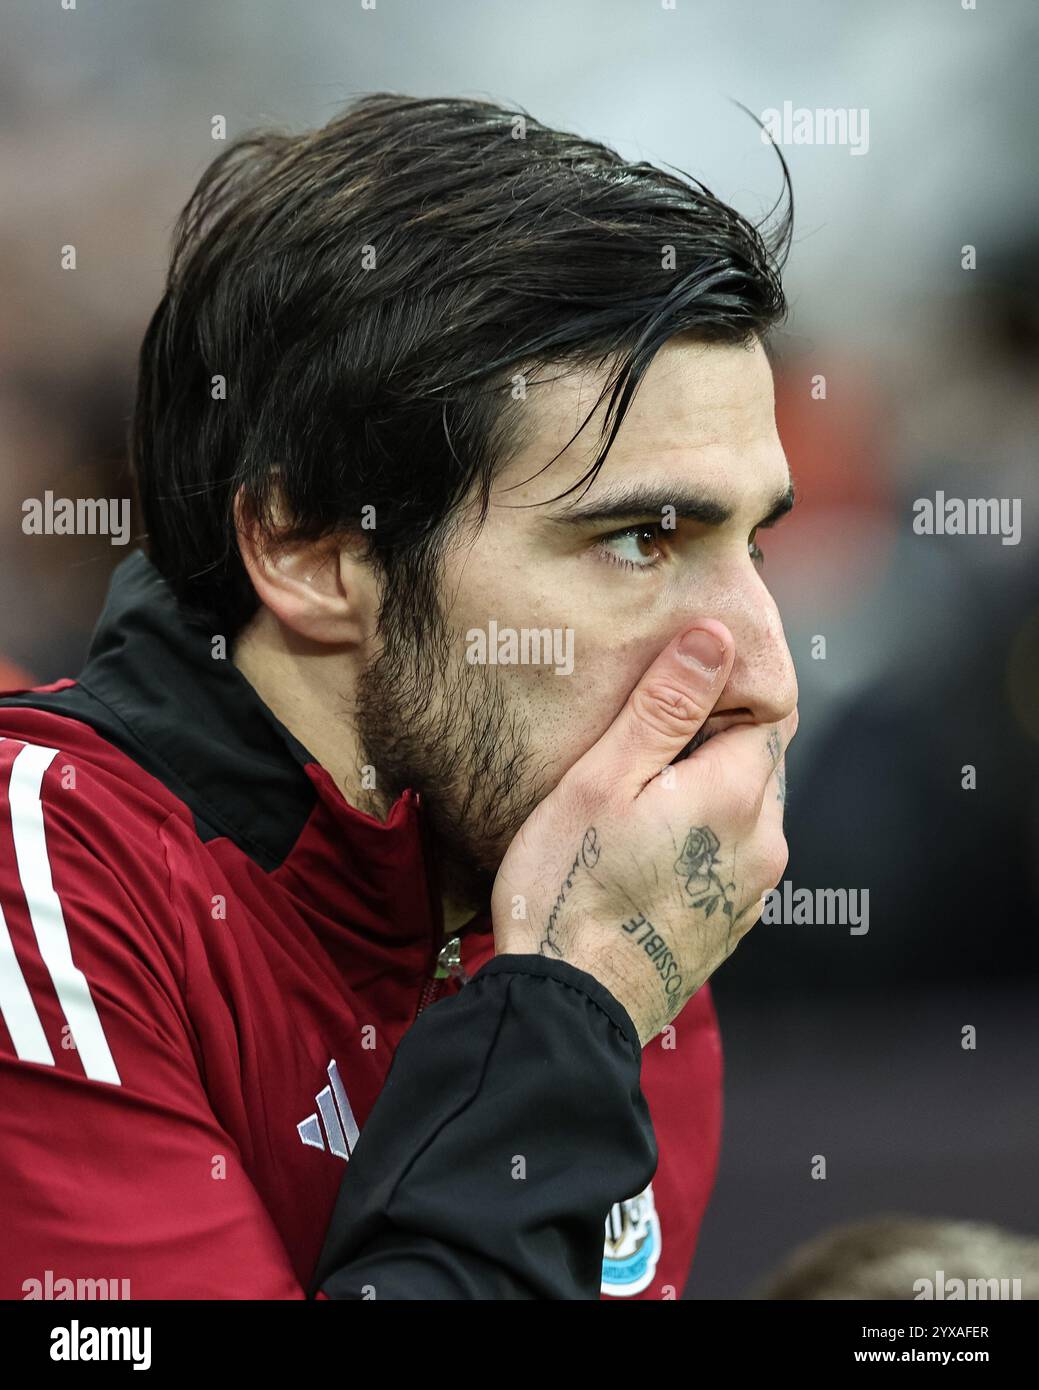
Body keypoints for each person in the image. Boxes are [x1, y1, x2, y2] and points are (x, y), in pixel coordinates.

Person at [0, 93, 798, 1300]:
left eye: (755, 545)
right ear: (311, 550)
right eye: (640, 539)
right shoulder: (46, 873)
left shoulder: (621, 909)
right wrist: (563, 1017)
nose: (763, 673)